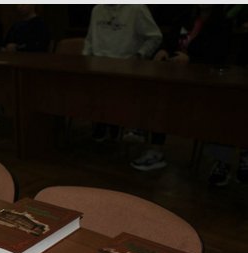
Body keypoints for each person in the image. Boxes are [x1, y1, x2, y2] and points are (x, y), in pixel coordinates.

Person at [130, 5, 240, 181]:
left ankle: (221, 162)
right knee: (158, 99)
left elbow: (220, 56)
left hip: (207, 83)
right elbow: (169, 40)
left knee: (222, 110)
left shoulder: (223, 24)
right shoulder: (183, 17)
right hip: (175, 77)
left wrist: (192, 60)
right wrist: (163, 50)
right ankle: (155, 149)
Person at [82, 5, 162, 142]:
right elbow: (90, 39)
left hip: (125, 68)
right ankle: (102, 123)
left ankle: (115, 124)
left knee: (119, 103)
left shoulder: (137, 9)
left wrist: (139, 55)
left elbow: (155, 37)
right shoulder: (97, 9)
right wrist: (84, 59)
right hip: (97, 67)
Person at [0, 4, 51, 130]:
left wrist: (17, 48)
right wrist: (4, 49)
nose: (19, 6)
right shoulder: (16, 26)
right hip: (11, 67)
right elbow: (4, 43)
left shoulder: (40, 25)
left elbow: (39, 49)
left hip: (31, 71)